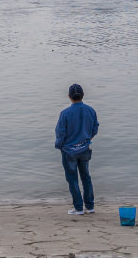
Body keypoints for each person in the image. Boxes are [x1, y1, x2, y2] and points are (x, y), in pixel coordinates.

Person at [55, 84, 99, 215]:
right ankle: (90, 206)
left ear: (69, 96)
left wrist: (59, 146)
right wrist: (87, 139)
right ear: (83, 95)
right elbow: (95, 128)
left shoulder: (65, 113)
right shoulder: (90, 110)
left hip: (69, 151)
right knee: (86, 177)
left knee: (72, 179)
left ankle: (79, 208)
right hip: (84, 148)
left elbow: (60, 132)